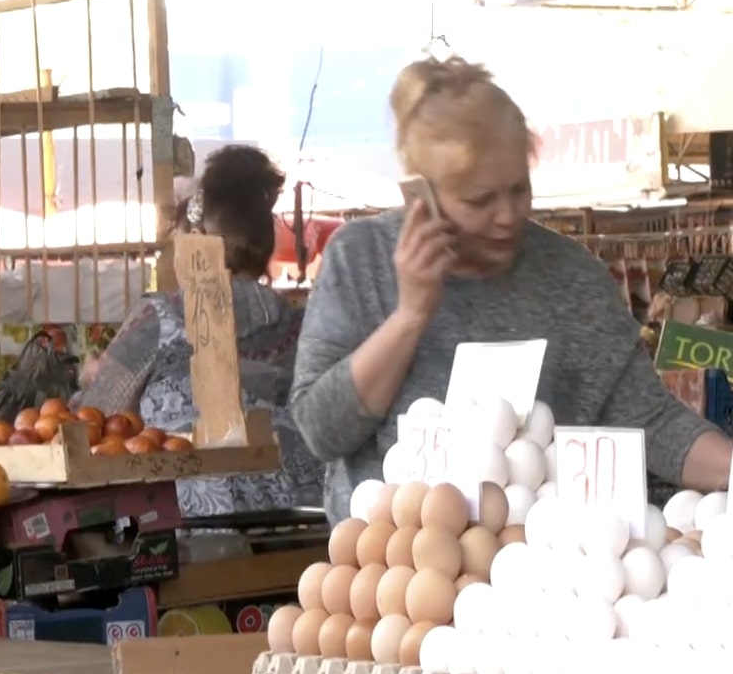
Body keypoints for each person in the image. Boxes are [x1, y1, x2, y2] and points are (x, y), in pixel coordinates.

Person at [291, 56, 731, 521]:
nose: (507, 215)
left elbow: (651, 422)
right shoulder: (361, 263)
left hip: (538, 574)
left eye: (519, 189)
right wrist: (409, 317)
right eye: (480, 200)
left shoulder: (570, 278)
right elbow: (322, 431)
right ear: (422, 195)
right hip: (387, 577)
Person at [77, 144, 323, 514]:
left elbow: (96, 421)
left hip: (186, 515)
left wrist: (91, 380)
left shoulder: (162, 316)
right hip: (297, 513)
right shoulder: (300, 323)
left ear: (193, 235)